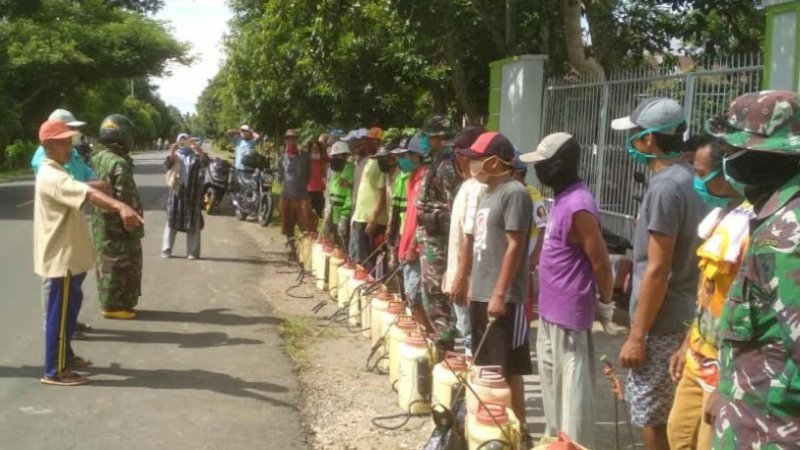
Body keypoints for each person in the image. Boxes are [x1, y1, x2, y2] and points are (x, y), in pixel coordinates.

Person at [703, 90, 800, 449]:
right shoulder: (773, 218)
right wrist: (728, 389)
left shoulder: (787, 237)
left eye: (732, 151)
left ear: (760, 157)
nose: (726, 159)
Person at [612, 98, 706, 450]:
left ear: (649, 139)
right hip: (682, 314)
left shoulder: (666, 187)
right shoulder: (690, 180)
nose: (633, 141)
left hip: (661, 323)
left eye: (636, 134)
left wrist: (637, 335)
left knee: (653, 418)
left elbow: (658, 268)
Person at [520, 132, 614, 448]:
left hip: (570, 316)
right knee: (551, 388)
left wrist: (606, 304)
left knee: (573, 395)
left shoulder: (579, 206)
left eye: (543, 165)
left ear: (558, 165)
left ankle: (573, 444)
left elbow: (600, 262)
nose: (538, 172)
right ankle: (553, 442)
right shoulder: (560, 198)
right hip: (550, 311)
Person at [34, 119, 143, 386]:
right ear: (48, 145)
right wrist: (120, 206)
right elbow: (84, 193)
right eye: (63, 143)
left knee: (69, 314)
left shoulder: (59, 170)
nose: (69, 147)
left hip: (72, 259)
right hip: (63, 259)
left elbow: (83, 186)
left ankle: (66, 357)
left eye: (69, 141)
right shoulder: (52, 175)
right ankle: (55, 371)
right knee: (59, 318)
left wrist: (101, 189)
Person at [663, 135, 751, 450]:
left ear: (727, 172)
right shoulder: (719, 218)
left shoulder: (754, 227)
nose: (695, 180)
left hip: (723, 368)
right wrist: (686, 344)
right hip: (696, 357)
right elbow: (707, 296)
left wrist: (727, 384)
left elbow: (744, 310)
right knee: (679, 435)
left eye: (701, 174)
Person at [459, 131, 533, 439]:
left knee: (506, 370)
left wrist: (500, 293)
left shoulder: (514, 192)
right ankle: (491, 433)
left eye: (476, 158)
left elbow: (516, 245)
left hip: (504, 298)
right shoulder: (486, 194)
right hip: (481, 293)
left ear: (492, 162)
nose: (471, 163)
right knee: (485, 370)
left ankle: (517, 432)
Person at [90, 114, 145, 320]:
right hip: (120, 223)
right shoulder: (119, 163)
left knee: (106, 262)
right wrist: (134, 223)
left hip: (100, 222)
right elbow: (126, 197)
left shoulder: (96, 158)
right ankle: (115, 306)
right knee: (124, 264)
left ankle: (110, 302)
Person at [416, 114, 461, 354]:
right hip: (431, 238)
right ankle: (441, 339)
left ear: (437, 137)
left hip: (439, 242)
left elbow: (457, 213)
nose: (425, 140)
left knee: (436, 293)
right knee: (431, 291)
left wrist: (430, 218)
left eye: (427, 136)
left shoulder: (447, 166)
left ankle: (446, 345)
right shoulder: (439, 161)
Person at [441, 126, 486, 355]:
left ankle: (474, 384)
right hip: (461, 274)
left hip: (469, 280)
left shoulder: (477, 188)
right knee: (466, 332)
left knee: (471, 338)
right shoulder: (467, 186)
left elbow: (471, 237)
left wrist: (460, 277)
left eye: (456, 155)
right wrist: (451, 272)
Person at [394, 135, 430, 328]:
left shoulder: (425, 180)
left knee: (416, 297)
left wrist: (413, 247)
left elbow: (422, 218)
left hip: (416, 250)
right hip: (406, 245)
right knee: (410, 295)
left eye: (404, 156)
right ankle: (421, 334)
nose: (401, 161)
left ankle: (427, 337)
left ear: (416, 156)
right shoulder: (411, 180)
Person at [511, 152, 549, 321]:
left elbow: (543, 226)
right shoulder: (510, 193)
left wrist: (535, 255)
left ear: (518, 173)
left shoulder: (531, 194)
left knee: (524, 292)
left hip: (527, 254)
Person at [162, 133, 210, 259]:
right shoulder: (175, 155)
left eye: (185, 140)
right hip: (177, 192)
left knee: (193, 223)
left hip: (193, 193)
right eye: (181, 141)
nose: (183, 143)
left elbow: (206, 162)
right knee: (171, 221)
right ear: (177, 142)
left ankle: (192, 253)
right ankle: (166, 250)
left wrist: (197, 147)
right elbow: (167, 165)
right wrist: (172, 151)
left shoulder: (195, 156)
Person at [349, 128, 388, 268]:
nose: (365, 144)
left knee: (373, 258)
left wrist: (374, 218)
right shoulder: (370, 160)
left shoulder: (382, 163)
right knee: (362, 258)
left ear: (378, 142)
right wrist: (355, 214)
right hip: (361, 217)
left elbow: (382, 192)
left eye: (369, 141)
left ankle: (375, 287)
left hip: (373, 219)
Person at [278, 129, 314, 257]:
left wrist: (301, 186)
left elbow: (308, 174)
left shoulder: (305, 157)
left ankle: (305, 251)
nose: (291, 141)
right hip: (286, 195)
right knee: (288, 225)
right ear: (286, 140)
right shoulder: (282, 157)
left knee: (307, 225)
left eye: (293, 138)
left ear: (296, 140)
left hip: (302, 196)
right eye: (289, 139)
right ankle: (292, 248)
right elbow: (281, 175)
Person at [325, 140, 355, 250]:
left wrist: (345, 216)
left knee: (343, 237)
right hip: (332, 208)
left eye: (340, 156)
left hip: (345, 210)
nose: (337, 158)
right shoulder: (331, 170)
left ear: (345, 156)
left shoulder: (351, 169)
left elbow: (352, 192)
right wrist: (327, 208)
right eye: (335, 156)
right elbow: (328, 190)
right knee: (332, 237)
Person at [228, 124, 260, 192]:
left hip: (248, 169)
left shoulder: (252, 142)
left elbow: (257, 136)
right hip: (238, 168)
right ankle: (235, 200)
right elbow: (229, 132)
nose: (244, 132)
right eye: (242, 131)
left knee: (247, 187)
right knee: (235, 186)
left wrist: (250, 131)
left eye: (246, 131)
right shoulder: (237, 140)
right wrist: (239, 131)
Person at [307, 139, 327, 218]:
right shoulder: (306, 158)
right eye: (313, 147)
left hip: (319, 188)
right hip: (309, 187)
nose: (315, 148)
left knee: (319, 210)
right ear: (310, 148)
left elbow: (330, 160)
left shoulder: (322, 158)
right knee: (310, 210)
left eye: (316, 147)